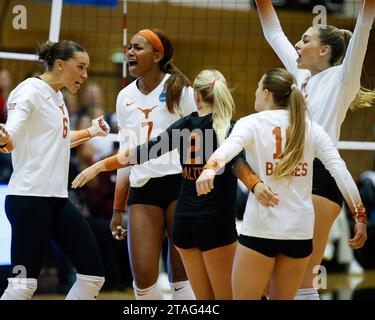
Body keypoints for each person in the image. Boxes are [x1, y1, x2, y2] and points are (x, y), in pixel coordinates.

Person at [72, 70, 265, 299]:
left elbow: (141, 152)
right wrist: (256, 185)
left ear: (196, 96)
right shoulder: (231, 128)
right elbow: (238, 165)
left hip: (184, 223)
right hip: (215, 222)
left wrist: (98, 166)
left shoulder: (183, 125)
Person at [196, 68, 367, 300]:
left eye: (258, 87)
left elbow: (227, 149)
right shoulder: (313, 128)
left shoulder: (252, 123)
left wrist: (209, 170)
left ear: (266, 93)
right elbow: (341, 173)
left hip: (261, 230)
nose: (256, 92)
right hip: (299, 233)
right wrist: (359, 216)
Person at [255, 0, 375, 299]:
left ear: (324, 50)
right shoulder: (301, 77)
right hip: (290, 174)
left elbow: (364, 22)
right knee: (278, 279)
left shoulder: (342, 79)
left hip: (321, 175)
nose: (297, 44)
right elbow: (272, 31)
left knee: (304, 277)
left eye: (305, 40)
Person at [75, 28, 199, 300]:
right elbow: (127, 154)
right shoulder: (125, 97)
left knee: (182, 276)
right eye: (129, 46)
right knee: (143, 278)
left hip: (181, 185)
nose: (130, 52)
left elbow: (200, 140)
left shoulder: (181, 90)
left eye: (138, 47)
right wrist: (118, 208)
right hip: (143, 188)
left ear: (157, 55)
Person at [0, 40, 110, 300]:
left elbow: (59, 139)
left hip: (56, 200)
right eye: (80, 67)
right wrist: (2, 138)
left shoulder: (57, 96)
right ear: (59, 64)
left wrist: (92, 131)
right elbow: (11, 137)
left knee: (92, 277)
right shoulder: (28, 92)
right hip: (28, 199)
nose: (85, 75)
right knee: (22, 285)